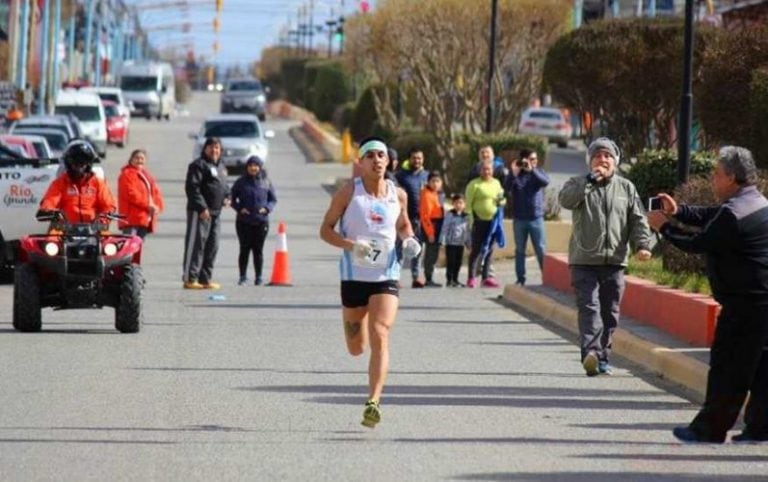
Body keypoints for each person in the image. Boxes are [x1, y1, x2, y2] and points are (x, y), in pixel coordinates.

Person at [647, 146, 768, 444]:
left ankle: (708, 430)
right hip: (761, 302)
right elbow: (712, 217)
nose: (712, 179)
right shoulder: (756, 203)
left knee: (728, 368)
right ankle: (761, 427)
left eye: (716, 174)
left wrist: (665, 228)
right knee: (762, 370)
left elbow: (699, 242)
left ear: (731, 177)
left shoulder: (735, 213)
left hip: (744, 306)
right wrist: (679, 212)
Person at [319, 137, 420, 429]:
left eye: (382, 155)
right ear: (360, 162)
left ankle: (373, 401)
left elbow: (402, 223)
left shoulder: (398, 194)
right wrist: (350, 245)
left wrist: (409, 239)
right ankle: (356, 325)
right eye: (371, 155)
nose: (377, 160)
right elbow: (325, 230)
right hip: (354, 277)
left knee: (381, 332)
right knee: (356, 346)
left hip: (386, 275)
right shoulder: (349, 193)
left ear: (388, 162)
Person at [559, 137, 652, 377]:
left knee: (610, 312)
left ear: (615, 161)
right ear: (590, 161)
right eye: (598, 156)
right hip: (583, 260)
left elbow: (638, 219)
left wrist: (643, 244)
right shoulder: (577, 183)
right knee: (589, 308)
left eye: (608, 156)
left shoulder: (626, 188)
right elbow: (566, 200)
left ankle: (602, 357)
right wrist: (589, 182)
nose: (603, 160)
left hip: (615, 261)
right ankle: (590, 353)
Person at [182, 137, 230, 290]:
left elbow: (224, 186)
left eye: (217, 148)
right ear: (205, 149)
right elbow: (192, 188)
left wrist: (227, 197)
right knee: (197, 244)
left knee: (212, 246)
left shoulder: (221, 166)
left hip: (216, 213)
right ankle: (190, 278)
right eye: (211, 148)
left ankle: (205, 279)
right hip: (200, 212)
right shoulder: (198, 165)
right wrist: (202, 207)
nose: (214, 151)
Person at [39, 140, 116, 223]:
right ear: (69, 164)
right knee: (51, 236)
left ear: (88, 164)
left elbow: (108, 205)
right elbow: (50, 201)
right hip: (65, 229)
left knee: (109, 236)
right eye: (75, 164)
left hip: (94, 228)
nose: (79, 167)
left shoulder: (98, 183)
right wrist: (47, 210)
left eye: (82, 163)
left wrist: (102, 219)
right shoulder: (60, 183)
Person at [505, 148, 550, 285]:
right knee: (520, 250)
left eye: (535, 160)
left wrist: (532, 170)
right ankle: (520, 279)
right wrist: (513, 173)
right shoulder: (517, 174)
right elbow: (506, 187)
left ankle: (547, 278)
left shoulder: (538, 172)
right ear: (523, 160)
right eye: (530, 160)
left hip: (536, 218)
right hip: (519, 219)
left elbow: (545, 182)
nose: (533, 162)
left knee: (541, 249)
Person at [230, 155, 276, 286]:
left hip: (261, 222)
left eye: (256, 165)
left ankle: (259, 277)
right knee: (244, 249)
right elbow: (231, 198)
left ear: (260, 167)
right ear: (247, 167)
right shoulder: (240, 182)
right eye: (250, 165)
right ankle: (243, 276)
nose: (253, 168)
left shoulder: (266, 182)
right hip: (243, 222)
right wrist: (239, 209)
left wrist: (267, 209)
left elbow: (273, 199)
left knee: (258, 250)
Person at [465, 158, 506, 288]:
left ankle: (486, 277)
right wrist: (470, 220)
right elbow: (468, 204)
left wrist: (502, 202)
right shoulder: (474, 185)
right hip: (478, 221)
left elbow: (502, 199)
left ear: (492, 171)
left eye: (489, 169)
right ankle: (471, 277)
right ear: (480, 170)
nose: (487, 171)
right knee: (476, 250)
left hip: (493, 222)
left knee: (489, 250)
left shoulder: (496, 183)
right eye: (484, 169)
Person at [395, 147, 429, 287]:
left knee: (418, 249)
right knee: (399, 248)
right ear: (409, 159)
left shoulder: (427, 176)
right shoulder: (400, 176)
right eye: (414, 158)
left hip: (421, 219)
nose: (417, 160)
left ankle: (416, 277)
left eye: (419, 158)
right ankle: (395, 277)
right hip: (403, 218)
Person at [117, 149, 165, 239]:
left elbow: (155, 192)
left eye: (142, 158)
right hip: (131, 219)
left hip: (144, 218)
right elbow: (132, 195)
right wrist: (148, 205)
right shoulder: (126, 175)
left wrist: (158, 206)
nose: (139, 160)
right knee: (128, 248)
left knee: (138, 249)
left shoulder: (146, 175)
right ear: (131, 159)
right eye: (137, 158)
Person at [439, 193, 471, 287]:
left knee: (458, 262)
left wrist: (469, 243)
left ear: (464, 204)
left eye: (461, 203)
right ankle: (449, 280)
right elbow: (445, 227)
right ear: (453, 204)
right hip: (451, 243)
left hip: (460, 244)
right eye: (456, 203)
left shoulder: (466, 217)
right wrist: (443, 240)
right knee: (451, 262)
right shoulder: (450, 214)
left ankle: (455, 279)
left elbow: (467, 231)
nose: (458, 205)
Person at [419, 171, 444, 287]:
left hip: (439, 225)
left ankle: (430, 277)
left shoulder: (438, 194)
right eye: (433, 181)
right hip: (431, 226)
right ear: (428, 182)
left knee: (435, 253)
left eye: (437, 181)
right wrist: (430, 233)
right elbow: (425, 216)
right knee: (430, 253)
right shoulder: (426, 194)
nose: (435, 184)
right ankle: (428, 278)